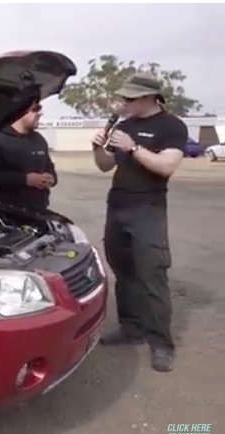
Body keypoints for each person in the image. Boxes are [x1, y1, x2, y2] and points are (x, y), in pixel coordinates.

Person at [91, 73, 187, 373]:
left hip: (148, 209)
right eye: (125, 98)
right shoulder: (123, 126)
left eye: (130, 98)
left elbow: (167, 166)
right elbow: (105, 165)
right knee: (124, 270)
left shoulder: (171, 126)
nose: (125, 102)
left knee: (152, 275)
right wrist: (97, 147)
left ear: (149, 97)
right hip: (117, 206)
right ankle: (131, 328)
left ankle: (161, 343)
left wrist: (133, 148)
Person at [0, 101, 57, 210]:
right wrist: (25, 179)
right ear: (20, 111)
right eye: (35, 109)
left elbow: (49, 166)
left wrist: (51, 177)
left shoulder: (39, 139)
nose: (40, 114)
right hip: (9, 212)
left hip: (40, 210)